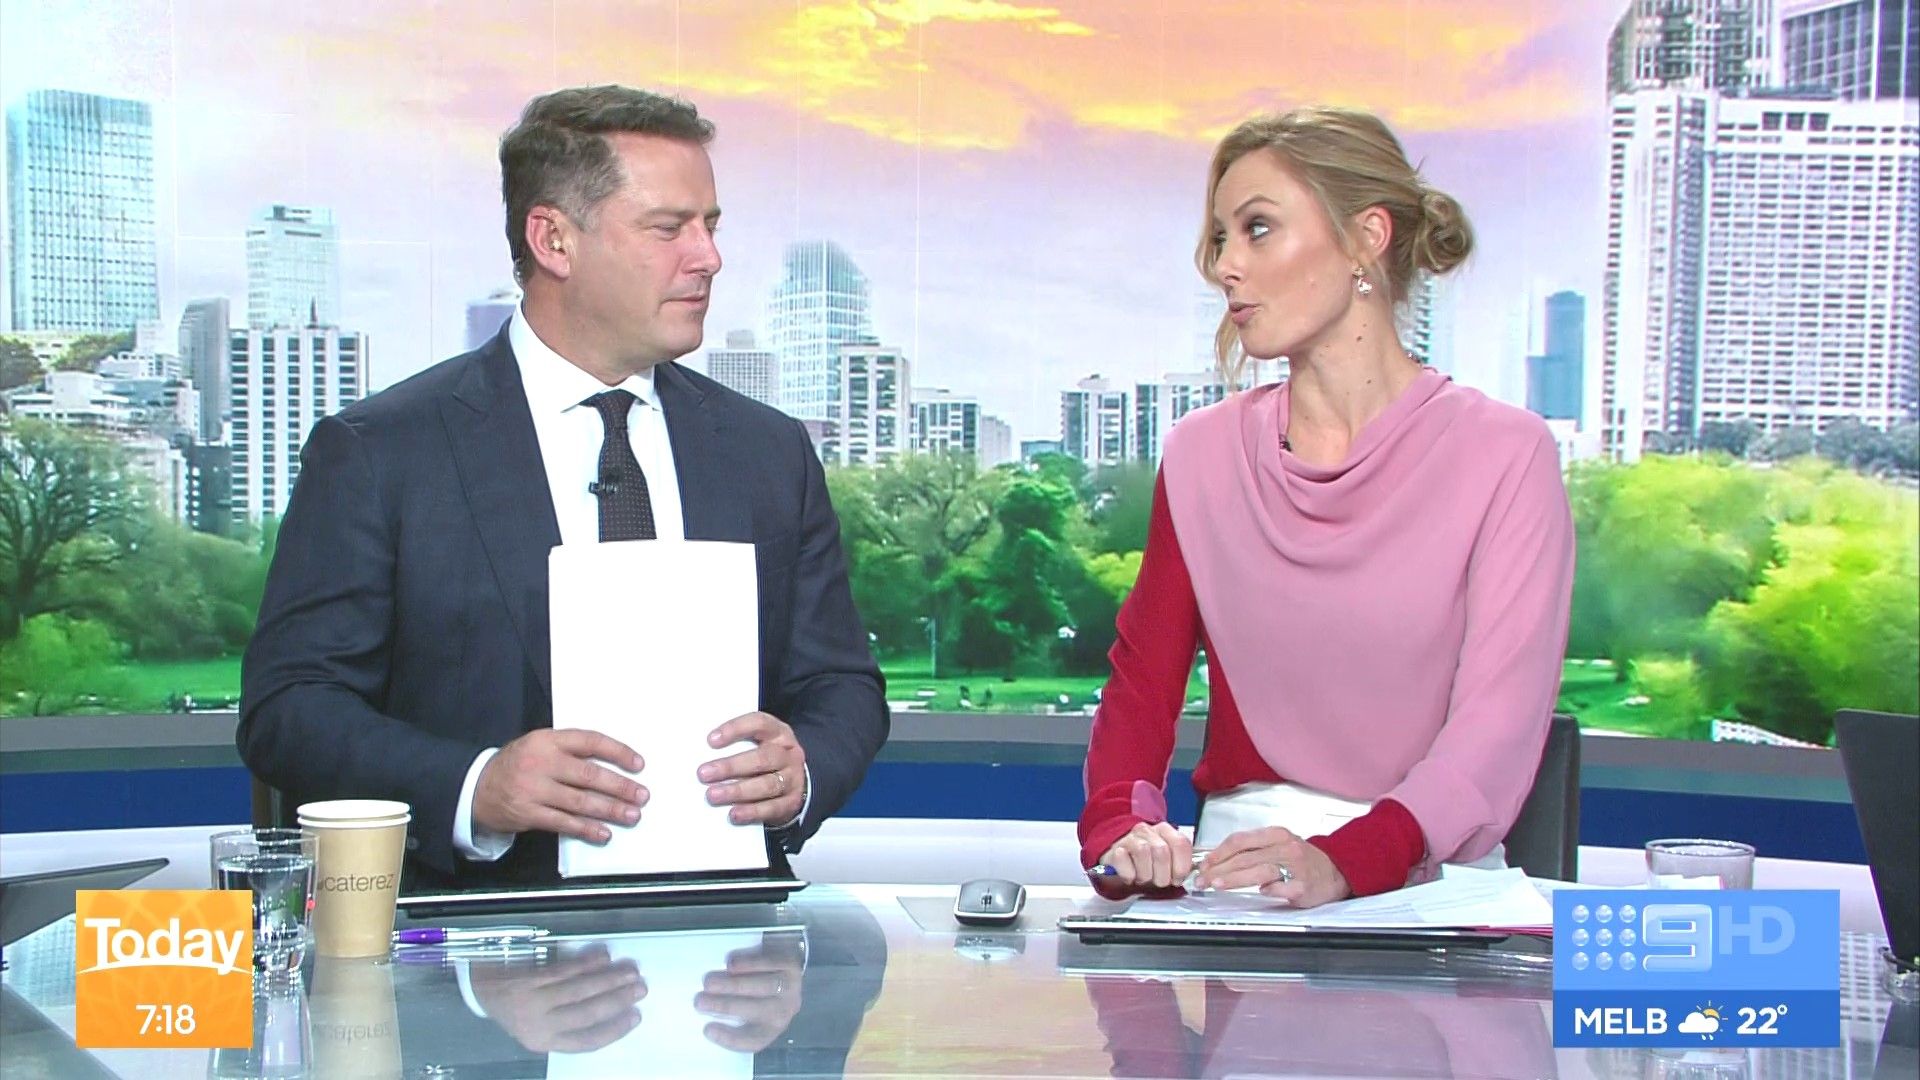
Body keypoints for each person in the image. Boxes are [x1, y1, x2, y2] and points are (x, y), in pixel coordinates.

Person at [238, 85, 889, 889]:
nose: (708, 258)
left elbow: (839, 686)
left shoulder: (768, 452)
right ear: (553, 239)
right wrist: (478, 786)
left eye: (711, 226)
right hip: (477, 926)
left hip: (728, 931)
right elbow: (291, 709)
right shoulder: (381, 453)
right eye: (669, 228)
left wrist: (803, 772)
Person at [1079, 106, 1575, 907]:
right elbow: (1143, 684)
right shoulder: (1204, 455)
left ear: (1365, 238)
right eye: (1220, 239)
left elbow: (1498, 728)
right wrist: (1120, 827)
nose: (1226, 266)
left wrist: (1347, 861)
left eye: (1258, 229)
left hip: (1429, 883)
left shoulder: (1506, 456)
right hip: (1245, 874)